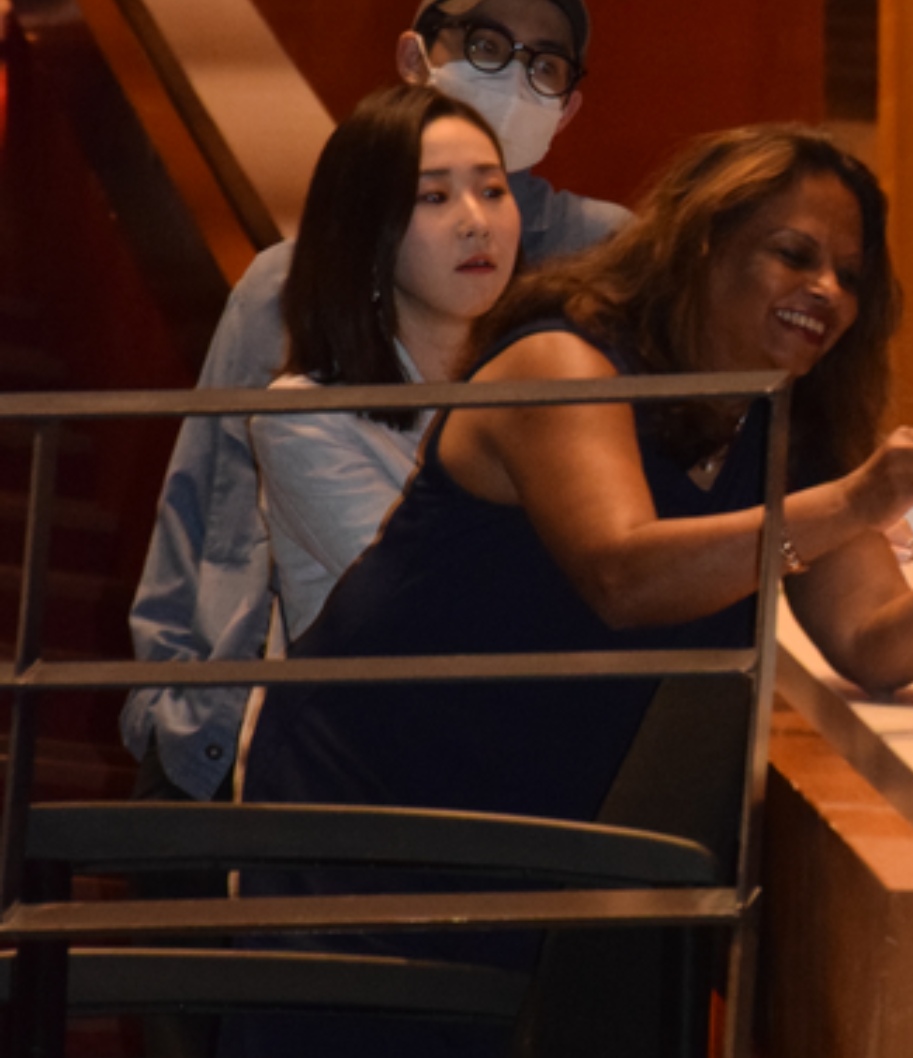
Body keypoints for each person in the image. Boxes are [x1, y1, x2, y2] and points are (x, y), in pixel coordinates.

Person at [226, 124, 913, 1058]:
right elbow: (623, 575)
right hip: (385, 804)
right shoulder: (563, 361)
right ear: (704, 243)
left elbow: (868, 640)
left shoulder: (784, 420)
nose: (827, 291)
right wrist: (863, 496)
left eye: (850, 274)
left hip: (545, 832)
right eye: (794, 254)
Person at [122, 0, 627, 805]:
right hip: (257, 735)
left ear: (568, 104)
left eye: (544, 63)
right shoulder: (286, 300)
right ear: (415, 55)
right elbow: (202, 509)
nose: (512, 76)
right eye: (487, 44)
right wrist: (166, 705)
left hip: (492, 755)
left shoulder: (608, 265)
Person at [253, 85, 519, 641]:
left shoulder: (534, 391)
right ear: (366, 229)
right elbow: (429, 606)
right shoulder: (305, 417)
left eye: (493, 190)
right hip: (361, 721)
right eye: (435, 198)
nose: (477, 222)